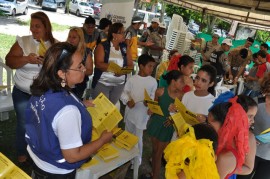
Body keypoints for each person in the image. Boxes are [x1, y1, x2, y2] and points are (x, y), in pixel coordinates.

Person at [25, 42, 113, 178]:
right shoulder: (67, 111)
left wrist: (81, 104)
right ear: (61, 73)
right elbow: (73, 156)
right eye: (79, 66)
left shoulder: (44, 86)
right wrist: (102, 140)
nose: (84, 69)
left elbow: (50, 111)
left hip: (38, 156)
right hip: (56, 170)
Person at [5, 11, 56, 163]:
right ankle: (22, 151)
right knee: (23, 122)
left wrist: (47, 63)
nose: (33, 29)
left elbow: (58, 71)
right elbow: (9, 61)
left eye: (37, 26)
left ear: (46, 27)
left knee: (40, 123)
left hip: (43, 93)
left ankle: (36, 150)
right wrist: (27, 59)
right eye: (31, 26)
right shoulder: (23, 41)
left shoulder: (54, 45)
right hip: (22, 92)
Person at [146, 70, 186, 179]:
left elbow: (182, 115)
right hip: (155, 124)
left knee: (159, 153)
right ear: (173, 81)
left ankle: (155, 176)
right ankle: (154, 174)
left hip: (167, 127)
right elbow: (155, 106)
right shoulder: (160, 92)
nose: (184, 84)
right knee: (154, 151)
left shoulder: (181, 96)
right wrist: (151, 110)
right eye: (181, 81)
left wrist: (173, 120)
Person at [120, 54, 157, 165]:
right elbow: (124, 93)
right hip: (131, 112)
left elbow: (153, 97)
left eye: (153, 67)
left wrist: (148, 103)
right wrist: (127, 101)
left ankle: (136, 161)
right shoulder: (132, 79)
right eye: (149, 66)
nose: (152, 69)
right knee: (127, 134)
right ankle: (125, 158)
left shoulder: (153, 81)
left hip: (142, 114)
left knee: (138, 138)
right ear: (141, 66)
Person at [208, 95, 250, 179]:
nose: (207, 127)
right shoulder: (218, 141)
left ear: (226, 127)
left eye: (210, 125)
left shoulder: (225, 157)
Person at [238, 73, 270, 179]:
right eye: (268, 96)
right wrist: (248, 135)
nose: (268, 101)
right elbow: (239, 122)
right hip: (250, 151)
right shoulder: (257, 103)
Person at [91, 22, 133, 104]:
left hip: (119, 85)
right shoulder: (102, 46)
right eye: (122, 33)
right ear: (114, 35)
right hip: (103, 83)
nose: (124, 35)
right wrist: (114, 69)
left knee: (111, 110)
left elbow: (131, 66)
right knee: (102, 110)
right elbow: (98, 64)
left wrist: (122, 71)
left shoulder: (125, 47)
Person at [66, 27, 93, 99]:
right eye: (69, 36)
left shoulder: (86, 52)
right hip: (64, 82)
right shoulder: (64, 49)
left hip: (78, 85)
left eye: (74, 37)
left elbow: (90, 71)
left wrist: (78, 70)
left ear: (80, 39)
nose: (71, 39)